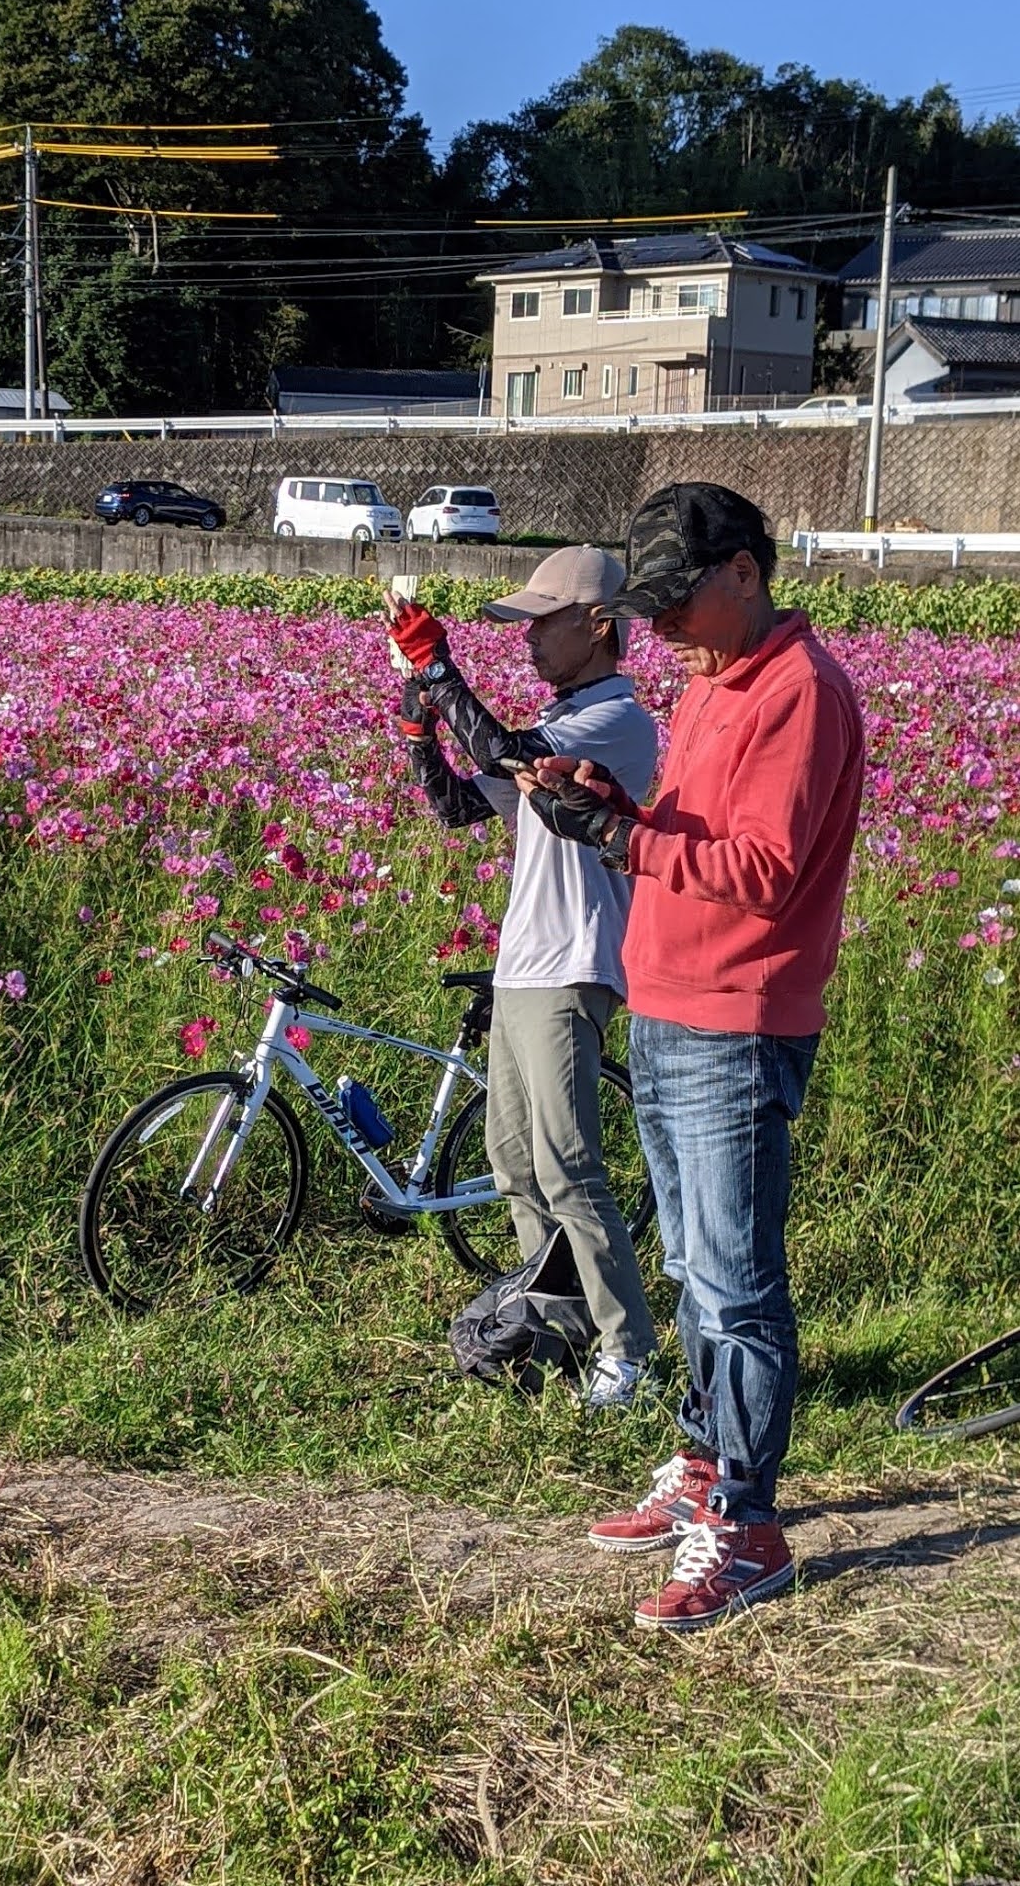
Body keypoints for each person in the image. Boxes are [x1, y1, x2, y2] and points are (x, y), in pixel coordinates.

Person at [515, 483, 865, 1631]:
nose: (657, 624)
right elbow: (695, 833)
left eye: (675, 599)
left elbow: (761, 868)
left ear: (743, 573)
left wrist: (621, 835)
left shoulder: (798, 690)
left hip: (736, 1013)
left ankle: (748, 1522)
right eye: (649, 604)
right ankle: (706, 1465)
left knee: (734, 1280)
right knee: (690, 1265)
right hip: (669, 1000)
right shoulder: (715, 678)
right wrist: (611, 800)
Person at [386, 547, 660, 1407]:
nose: (529, 637)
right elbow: (455, 805)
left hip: (573, 963)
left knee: (567, 1166)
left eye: (545, 621)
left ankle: (628, 1350)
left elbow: (503, 749)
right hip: (522, 966)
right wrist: (419, 724)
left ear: (600, 626)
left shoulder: (614, 721)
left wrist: (438, 668)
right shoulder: (559, 719)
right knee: (512, 1164)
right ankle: (555, 1331)